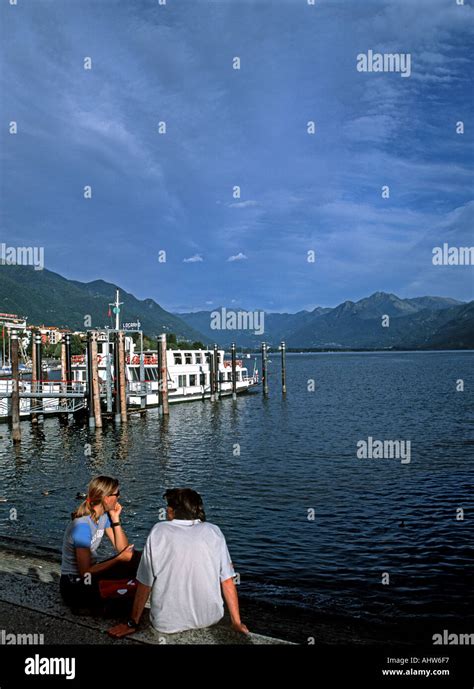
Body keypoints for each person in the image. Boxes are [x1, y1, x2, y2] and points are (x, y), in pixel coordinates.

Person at [108, 488, 249, 637]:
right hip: (210, 618)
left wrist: (133, 622)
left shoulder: (159, 531)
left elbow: (145, 582)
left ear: (170, 511)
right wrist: (236, 622)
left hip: (167, 623)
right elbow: (227, 580)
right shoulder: (214, 531)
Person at [60, 475, 140, 612]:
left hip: (89, 577)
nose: (119, 497)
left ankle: (120, 591)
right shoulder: (82, 526)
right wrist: (119, 559)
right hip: (74, 585)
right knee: (125, 602)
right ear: (106, 498)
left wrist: (115, 518)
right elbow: (85, 571)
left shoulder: (103, 517)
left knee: (136, 558)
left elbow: (123, 548)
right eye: (117, 494)